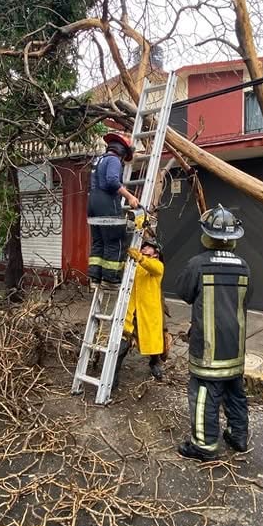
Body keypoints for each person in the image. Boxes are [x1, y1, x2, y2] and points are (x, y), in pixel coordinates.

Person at [175, 204, 252, 462]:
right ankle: (238, 436)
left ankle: (204, 446)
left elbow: (184, 292)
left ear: (207, 236)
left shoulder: (198, 264)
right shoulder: (244, 266)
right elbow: (246, 299)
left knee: (204, 396)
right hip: (235, 346)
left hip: (208, 348)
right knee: (235, 391)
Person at [87, 132, 139, 287]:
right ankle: (110, 279)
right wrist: (130, 197)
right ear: (122, 151)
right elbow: (112, 181)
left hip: (92, 204)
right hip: (106, 203)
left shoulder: (98, 160)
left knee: (99, 241)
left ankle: (95, 277)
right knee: (116, 240)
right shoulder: (114, 160)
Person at [113, 236, 165, 387]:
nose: (144, 248)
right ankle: (112, 378)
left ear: (156, 253)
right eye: (143, 246)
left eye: (148, 247)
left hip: (148, 312)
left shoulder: (157, 265)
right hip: (131, 312)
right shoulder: (134, 264)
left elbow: (151, 266)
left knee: (154, 344)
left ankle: (154, 364)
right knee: (122, 344)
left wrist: (140, 257)